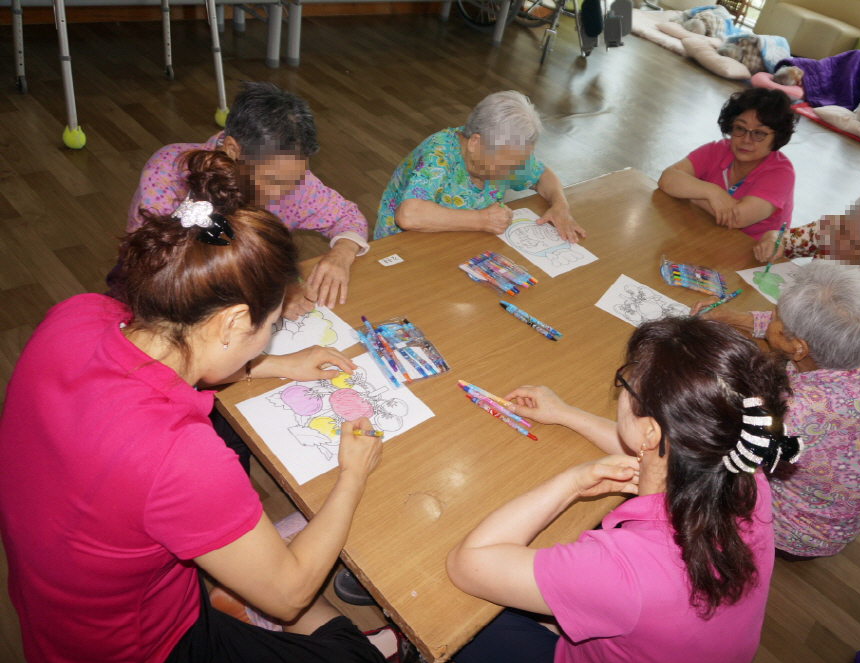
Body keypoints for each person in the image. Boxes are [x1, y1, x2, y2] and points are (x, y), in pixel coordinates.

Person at [0, 151, 394, 663]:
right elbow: (289, 595)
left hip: (58, 607)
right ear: (232, 322)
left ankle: (234, 589)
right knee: (355, 655)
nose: (270, 338)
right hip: (137, 645)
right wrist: (352, 475)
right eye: (272, 326)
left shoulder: (77, 315)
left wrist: (275, 365)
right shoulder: (180, 457)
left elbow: (171, 359)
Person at [447, 316, 802, 662]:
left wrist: (570, 483)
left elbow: (467, 564)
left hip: (624, 614)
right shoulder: (744, 472)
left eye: (628, 382)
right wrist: (565, 413)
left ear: (651, 432)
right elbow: (662, 447)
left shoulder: (623, 571)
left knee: (464, 620)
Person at [694, 261, 860, 560]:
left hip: (801, 530)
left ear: (799, 348)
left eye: (775, 316)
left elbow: (720, 447)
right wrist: (733, 319)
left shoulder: (797, 411)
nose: (770, 317)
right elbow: (798, 332)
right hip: (833, 505)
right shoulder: (854, 347)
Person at [124, 81, 368, 316]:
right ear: (232, 150)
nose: (283, 192)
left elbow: (347, 216)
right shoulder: (171, 172)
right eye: (272, 179)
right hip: (167, 300)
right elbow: (157, 271)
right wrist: (270, 297)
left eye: (295, 178)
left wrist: (341, 255)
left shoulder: (292, 178)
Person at [752, 188, 860, 388]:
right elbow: (784, 239)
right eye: (842, 230)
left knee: (788, 383)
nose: (838, 244)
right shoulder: (835, 227)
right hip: (814, 327)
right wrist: (773, 241)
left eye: (853, 244)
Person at [374, 91, 584, 243]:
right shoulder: (438, 156)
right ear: (475, 142)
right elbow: (409, 215)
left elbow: (542, 175)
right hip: (405, 247)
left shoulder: (509, 156)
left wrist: (560, 205)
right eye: (507, 163)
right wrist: (482, 220)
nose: (514, 171)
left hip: (463, 241)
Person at [658, 88, 797, 241]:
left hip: (749, 249)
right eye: (740, 128)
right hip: (703, 232)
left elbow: (736, 218)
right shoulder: (718, 150)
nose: (746, 140)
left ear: (777, 137)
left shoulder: (781, 173)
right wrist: (712, 192)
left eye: (758, 133)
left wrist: (689, 193)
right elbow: (667, 178)